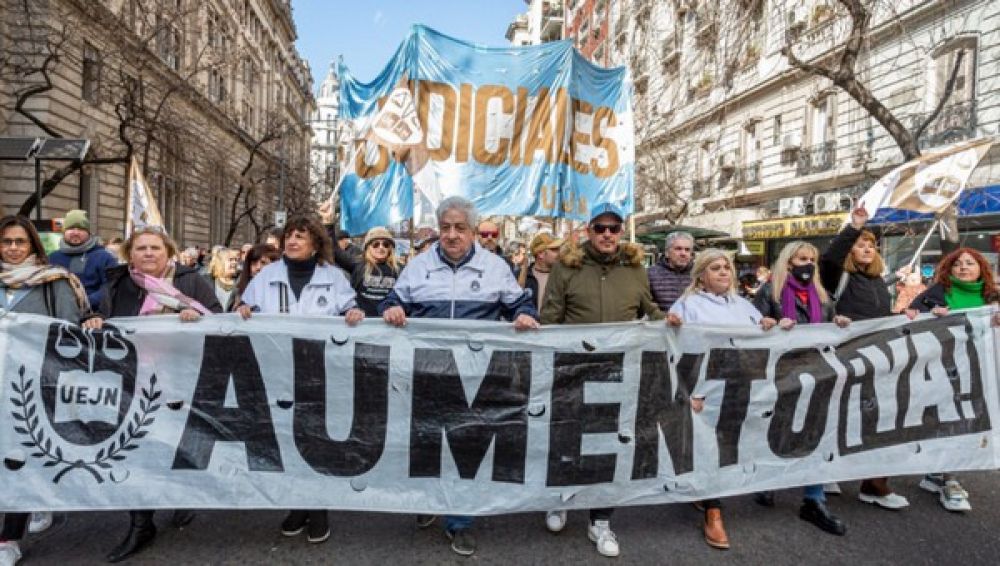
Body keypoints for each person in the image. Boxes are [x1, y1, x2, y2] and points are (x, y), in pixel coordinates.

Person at [379, 196, 539, 557]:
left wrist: (526, 316)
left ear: (473, 231)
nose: (451, 235)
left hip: (476, 376)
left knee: (466, 447)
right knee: (426, 441)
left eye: (459, 228)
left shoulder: (495, 267)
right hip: (427, 372)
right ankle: (426, 500)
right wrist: (390, 309)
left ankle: (461, 520)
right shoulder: (417, 267)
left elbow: (521, 304)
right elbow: (392, 299)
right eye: (445, 228)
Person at [81, 225, 221, 563]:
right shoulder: (119, 282)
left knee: (174, 444)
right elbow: (99, 311)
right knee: (135, 448)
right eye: (141, 248)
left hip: (180, 377)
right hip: (133, 377)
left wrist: (195, 317)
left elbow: (218, 317)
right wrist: (95, 318)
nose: (148, 254)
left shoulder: (190, 281)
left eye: (155, 248)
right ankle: (140, 523)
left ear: (168, 252)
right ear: (131, 254)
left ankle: (182, 495)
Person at [539, 202, 664, 557]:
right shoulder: (568, 266)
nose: (607, 234)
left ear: (621, 232)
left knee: (609, 445)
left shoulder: (636, 268)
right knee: (565, 438)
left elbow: (648, 309)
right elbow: (550, 317)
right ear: (588, 231)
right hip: (573, 369)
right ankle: (560, 499)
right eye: (600, 228)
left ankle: (601, 520)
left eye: (614, 228)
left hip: (619, 370)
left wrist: (667, 321)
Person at [237, 216, 364, 546]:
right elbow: (244, 305)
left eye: (301, 237)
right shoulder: (266, 276)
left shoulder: (334, 278)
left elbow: (351, 310)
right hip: (276, 371)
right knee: (285, 440)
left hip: (317, 372)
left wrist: (353, 314)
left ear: (316, 244)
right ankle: (296, 505)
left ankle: (319, 508)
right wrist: (243, 309)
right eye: (289, 236)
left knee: (314, 441)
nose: (292, 241)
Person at [667, 248, 780, 551]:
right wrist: (687, 391)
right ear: (701, 276)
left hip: (738, 387)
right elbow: (676, 350)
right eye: (715, 268)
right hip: (704, 388)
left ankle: (705, 494)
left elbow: (759, 339)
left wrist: (768, 327)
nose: (723, 273)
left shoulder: (744, 306)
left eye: (727, 268)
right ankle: (714, 513)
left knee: (727, 443)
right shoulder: (688, 305)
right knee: (706, 445)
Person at [0, 215, 89, 566]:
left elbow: (69, 332)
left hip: (32, 384)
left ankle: (8, 537)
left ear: (33, 245)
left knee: (20, 453)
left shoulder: (54, 282)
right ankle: (36, 498)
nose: (13, 248)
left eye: (20, 242)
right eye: (6, 241)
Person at [752, 241, 850, 536]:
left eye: (812, 259)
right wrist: (766, 323)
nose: (808, 264)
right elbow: (751, 326)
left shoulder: (823, 295)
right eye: (801, 258)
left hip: (817, 372)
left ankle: (814, 498)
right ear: (788, 261)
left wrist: (839, 321)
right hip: (780, 372)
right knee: (778, 429)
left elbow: (831, 322)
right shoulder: (770, 292)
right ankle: (766, 481)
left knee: (815, 431)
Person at [819, 206, 909, 510]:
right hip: (846, 357)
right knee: (841, 415)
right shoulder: (837, 276)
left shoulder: (877, 283)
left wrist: (903, 316)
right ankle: (826, 470)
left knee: (877, 418)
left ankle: (874, 484)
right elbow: (830, 257)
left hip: (879, 358)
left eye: (871, 245)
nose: (867, 249)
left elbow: (880, 317)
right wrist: (854, 227)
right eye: (861, 245)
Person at [905, 247, 999, 512]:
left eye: (970, 263)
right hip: (945, 370)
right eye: (957, 264)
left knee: (972, 422)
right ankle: (950, 479)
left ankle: (937, 473)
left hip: (983, 370)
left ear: (981, 268)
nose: (963, 268)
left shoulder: (992, 296)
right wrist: (925, 317)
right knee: (951, 420)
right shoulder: (936, 294)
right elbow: (909, 317)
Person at [47, 209, 119, 308]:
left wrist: (86, 302)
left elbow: (111, 286)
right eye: (71, 228)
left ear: (88, 232)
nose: (76, 232)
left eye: (81, 229)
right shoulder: (52, 258)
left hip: (94, 314)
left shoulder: (104, 257)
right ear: (64, 231)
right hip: (58, 312)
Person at [350, 227, 400, 316]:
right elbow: (336, 252)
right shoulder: (357, 265)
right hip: (361, 324)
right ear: (368, 247)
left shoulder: (399, 269)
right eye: (376, 244)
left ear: (390, 248)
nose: (381, 247)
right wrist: (328, 222)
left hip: (390, 325)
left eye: (386, 244)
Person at [647, 231, 694, 312]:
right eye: (678, 249)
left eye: (687, 250)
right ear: (667, 253)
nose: (683, 253)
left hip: (693, 323)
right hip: (663, 323)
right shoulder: (651, 274)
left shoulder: (699, 274)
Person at [520, 232, 562, 310]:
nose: (559, 253)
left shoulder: (562, 276)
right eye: (554, 250)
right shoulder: (524, 277)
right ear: (540, 254)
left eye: (559, 249)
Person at [231, 243, 280, 310]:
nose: (258, 267)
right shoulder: (239, 292)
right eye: (254, 264)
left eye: (263, 263)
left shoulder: (283, 291)